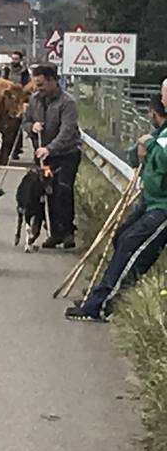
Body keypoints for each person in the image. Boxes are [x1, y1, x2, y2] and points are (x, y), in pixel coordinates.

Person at [67, 96, 167, 322]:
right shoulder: (161, 133)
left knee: (131, 244)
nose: (163, 99)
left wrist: (149, 144)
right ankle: (106, 294)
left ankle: (100, 304)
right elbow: (137, 157)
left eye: (164, 95)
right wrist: (143, 145)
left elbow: (163, 158)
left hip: (162, 206)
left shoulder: (160, 137)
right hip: (151, 200)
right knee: (122, 237)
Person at [23, 63, 82, 249]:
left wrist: (50, 148)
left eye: (40, 84)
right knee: (48, 192)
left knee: (63, 190)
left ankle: (68, 232)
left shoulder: (67, 102)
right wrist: (32, 128)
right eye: (35, 84)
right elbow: (25, 121)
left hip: (66, 155)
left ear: (52, 81)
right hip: (44, 158)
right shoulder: (34, 100)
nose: (37, 89)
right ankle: (54, 232)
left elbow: (67, 131)